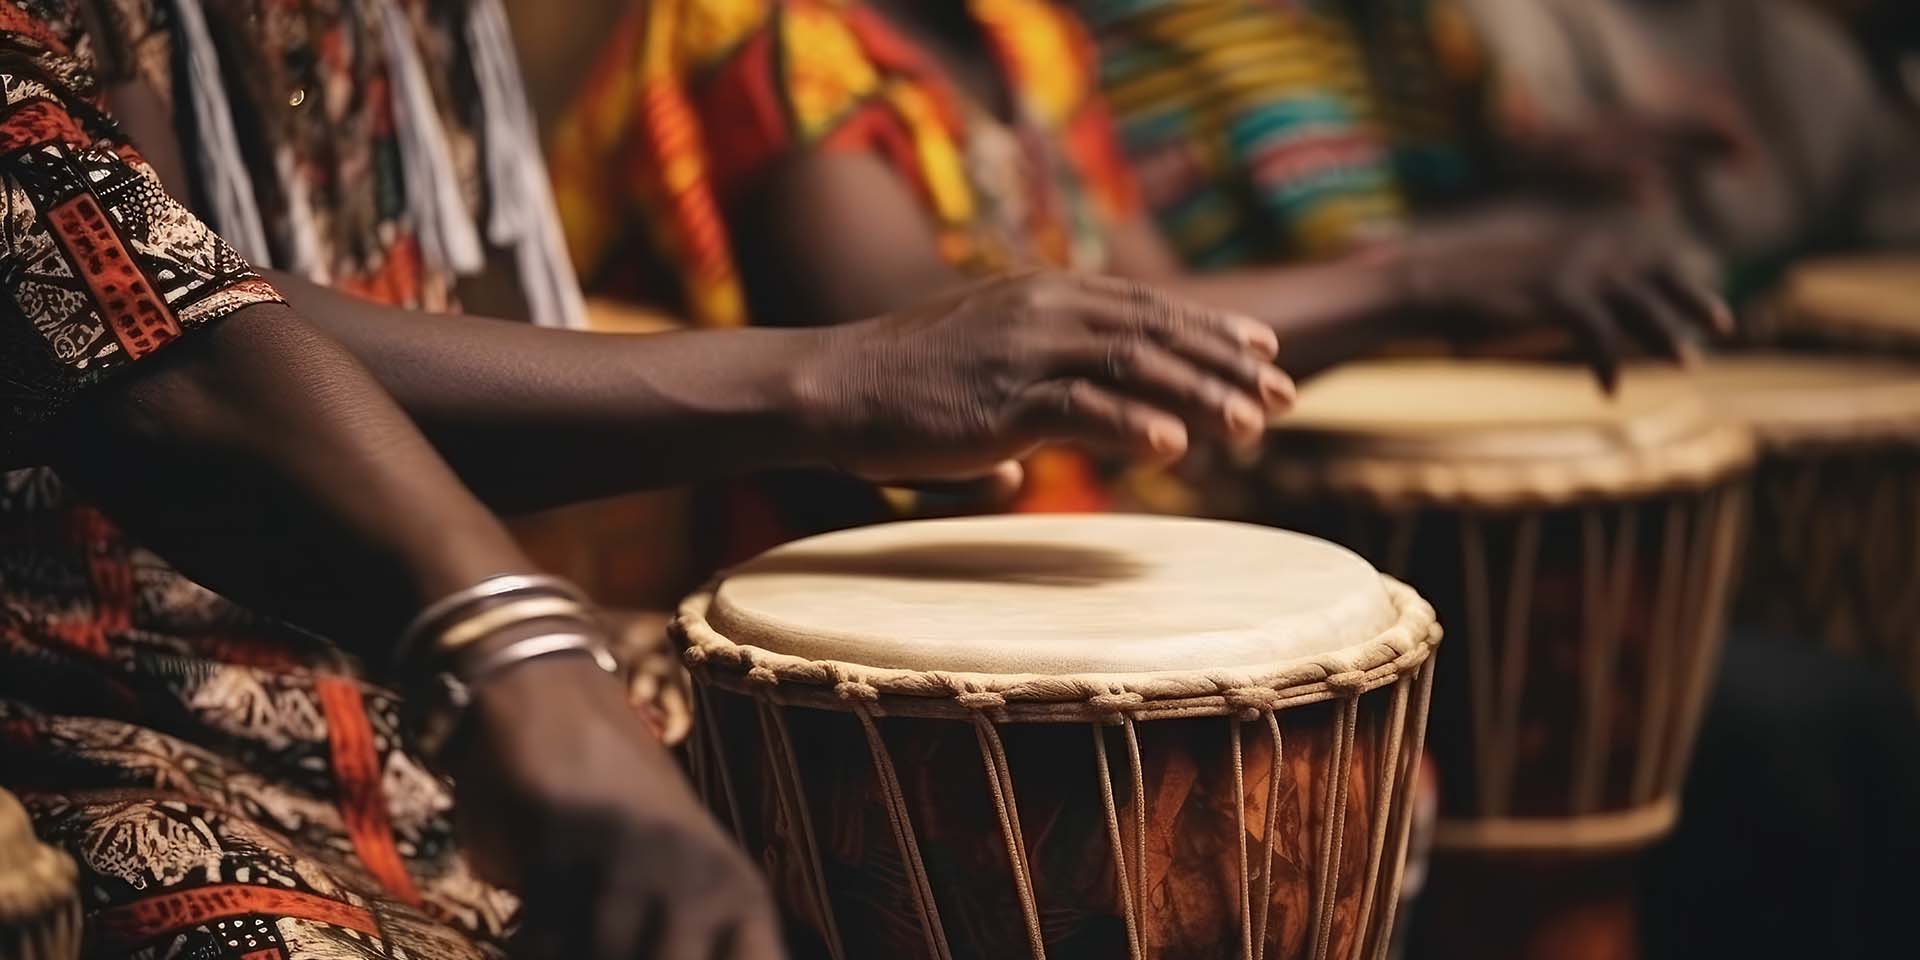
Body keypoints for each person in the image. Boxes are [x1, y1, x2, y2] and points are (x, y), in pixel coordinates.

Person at [0, 2, 1288, 959]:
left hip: (398, 660)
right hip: (91, 684)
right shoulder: (772, 40)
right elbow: (150, 309)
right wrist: (516, 639)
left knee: (936, 819)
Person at [549, 0, 1729, 560]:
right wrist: (1425, 281)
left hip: (1087, 559)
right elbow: (932, 345)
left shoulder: (1025, 37)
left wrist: (1461, 277)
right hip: (883, 639)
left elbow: (1159, 302)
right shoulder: (759, 39)